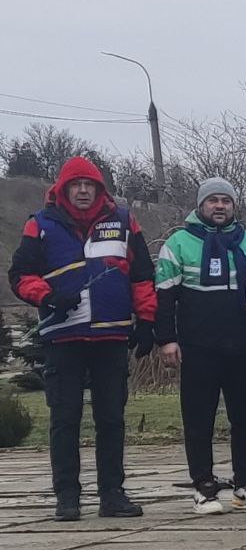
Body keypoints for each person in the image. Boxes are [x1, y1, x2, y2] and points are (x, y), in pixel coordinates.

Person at [8, 157, 154, 521]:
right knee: (64, 419)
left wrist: (148, 320)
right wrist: (47, 296)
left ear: (100, 189)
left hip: (112, 336)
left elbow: (142, 275)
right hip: (63, 337)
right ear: (63, 190)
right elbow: (20, 275)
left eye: (90, 185)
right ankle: (67, 497)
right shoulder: (38, 224)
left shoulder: (123, 220)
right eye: (77, 185)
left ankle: (112, 495)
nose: (84, 191)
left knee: (111, 419)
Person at [154, 178, 246, 514]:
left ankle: (244, 485)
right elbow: (164, 296)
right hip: (198, 348)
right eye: (213, 201)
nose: (220, 206)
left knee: (245, 419)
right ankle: (204, 487)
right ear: (201, 206)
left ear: (234, 205)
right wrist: (166, 338)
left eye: (226, 200)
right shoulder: (178, 243)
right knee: (199, 420)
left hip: (242, 346)